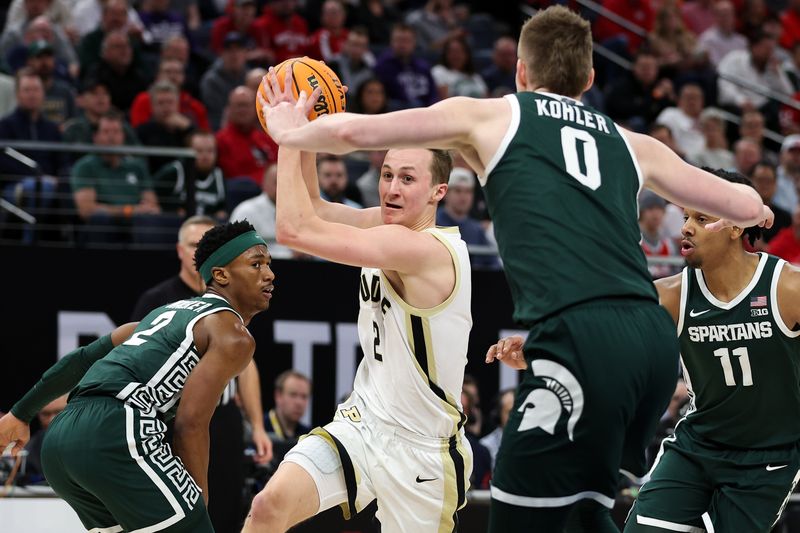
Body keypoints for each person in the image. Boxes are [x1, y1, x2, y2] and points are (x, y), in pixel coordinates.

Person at [257, 6, 773, 531]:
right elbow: (740, 200)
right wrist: (758, 210)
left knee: (520, 517)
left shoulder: (494, 117)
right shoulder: (633, 143)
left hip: (579, 338)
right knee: (586, 510)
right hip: (649, 347)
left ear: (520, 73)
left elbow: (352, 136)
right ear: (591, 79)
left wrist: (290, 130)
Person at [246, 70, 474, 533]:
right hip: (362, 421)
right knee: (268, 507)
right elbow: (310, 204)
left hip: (423, 450)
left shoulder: (426, 250)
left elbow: (294, 230)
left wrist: (289, 135)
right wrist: (307, 127)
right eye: (387, 174)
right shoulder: (386, 224)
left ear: (438, 192)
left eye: (407, 179)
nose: (391, 188)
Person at [0, 220, 274, 532]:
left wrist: (20, 413)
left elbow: (81, 359)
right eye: (256, 264)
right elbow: (191, 424)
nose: (269, 274)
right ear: (221, 274)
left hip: (60, 440)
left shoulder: (159, 316)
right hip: (118, 430)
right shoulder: (233, 335)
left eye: (268, 264)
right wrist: (197, 505)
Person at [624, 169, 800, 532]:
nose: (686, 227)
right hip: (698, 445)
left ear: (737, 227)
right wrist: (538, 347)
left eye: (701, 218)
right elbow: (604, 328)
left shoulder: (787, 288)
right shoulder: (671, 294)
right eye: (686, 216)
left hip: (769, 455)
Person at [130, 215, 271, 533]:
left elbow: (245, 365)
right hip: (172, 418)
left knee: (225, 509)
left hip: (223, 419)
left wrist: (259, 425)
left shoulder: (236, 297)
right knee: (185, 512)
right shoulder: (159, 300)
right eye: (194, 244)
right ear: (181, 251)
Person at [264, 370, 311, 441]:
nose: (299, 402)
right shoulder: (260, 428)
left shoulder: (308, 435)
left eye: (304, 396)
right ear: (278, 396)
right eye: (293, 395)